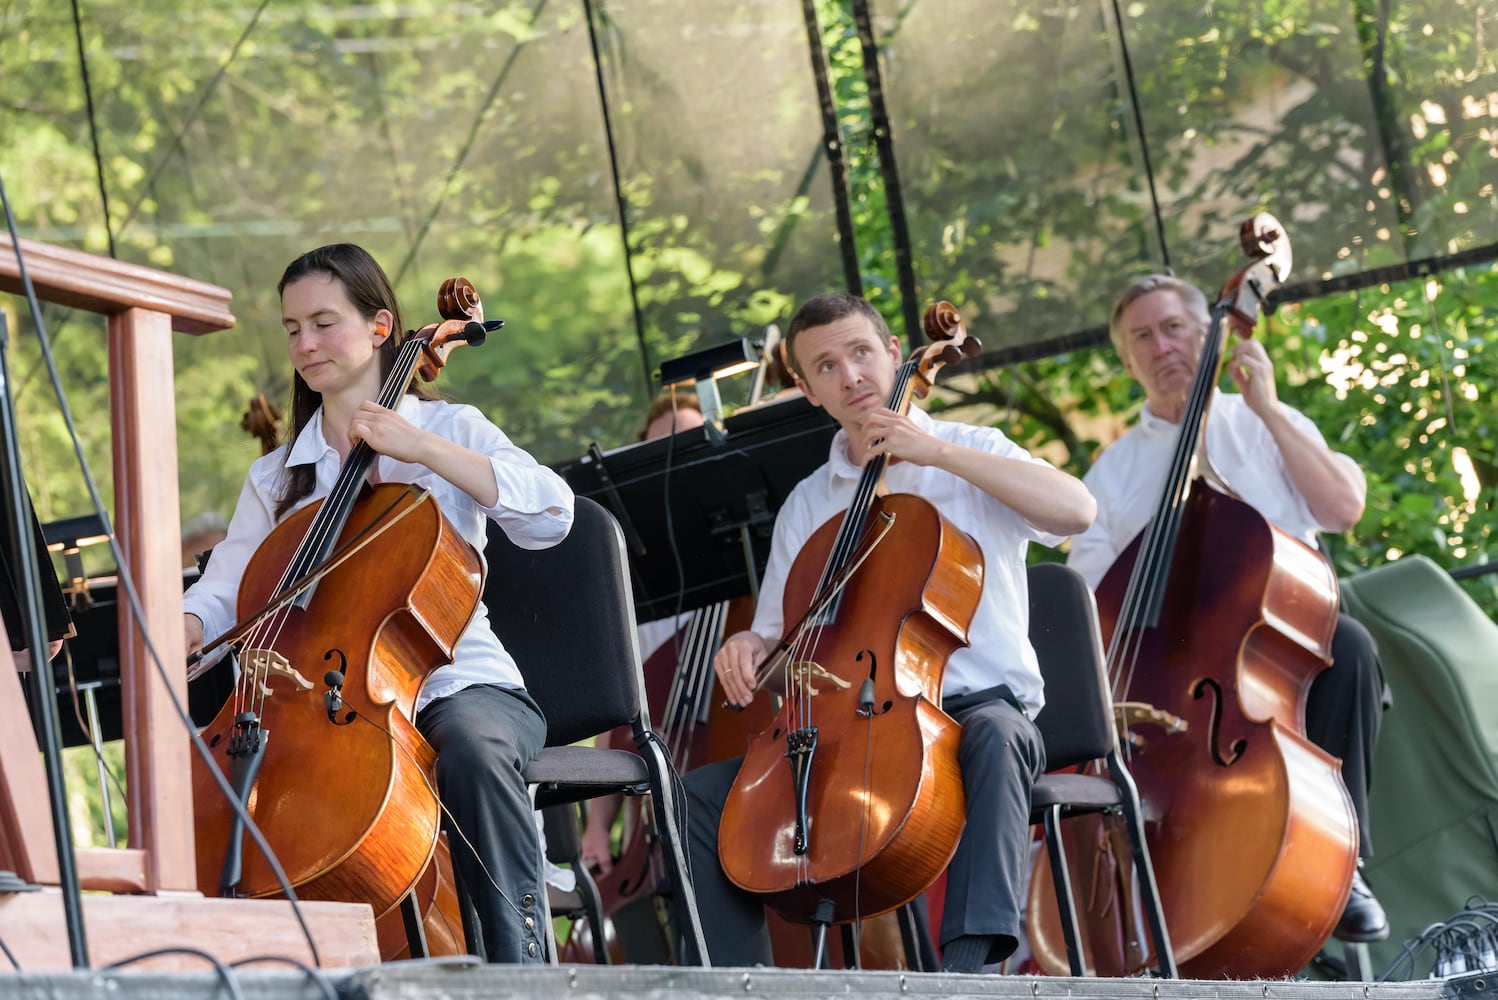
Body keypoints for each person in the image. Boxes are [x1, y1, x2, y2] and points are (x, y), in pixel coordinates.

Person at [182, 243, 575, 963]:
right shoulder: (276, 477)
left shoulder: (449, 428)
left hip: (458, 681)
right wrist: (183, 629)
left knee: (474, 751)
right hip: (317, 698)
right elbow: (224, 589)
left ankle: (524, 968)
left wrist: (419, 448)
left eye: (324, 323)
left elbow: (553, 515)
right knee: (209, 786)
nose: (305, 344)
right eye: (292, 328)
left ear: (381, 326)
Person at [687, 291, 1096, 971]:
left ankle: (968, 973)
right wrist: (748, 647)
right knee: (699, 797)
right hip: (851, 719)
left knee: (1000, 737)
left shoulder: (971, 450)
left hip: (974, 710)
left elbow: (1076, 510)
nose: (849, 375)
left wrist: (935, 453)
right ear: (807, 391)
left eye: (860, 353)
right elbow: (778, 637)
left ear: (895, 356)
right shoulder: (809, 503)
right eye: (825, 366)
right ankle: (738, 981)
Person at [1066, 273, 1388, 942]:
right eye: (1142, 338)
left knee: (1349, 644)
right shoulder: (1113, 473)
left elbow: (1343, 509)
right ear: (1128, 362)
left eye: (1174, 328)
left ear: (1206, 335)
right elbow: (1093, 613)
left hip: (1286, 645)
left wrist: (1268, 406)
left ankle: (1344, 861)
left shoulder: (1263, 423)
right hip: (1184, 675)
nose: (1161, 348)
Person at [579, 390, 705, 877]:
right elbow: (618, 732)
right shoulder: (636, 596)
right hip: (649, 821)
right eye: (661, 449)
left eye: (688, 443)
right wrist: (596, 828)